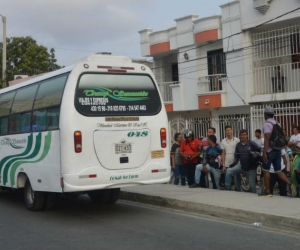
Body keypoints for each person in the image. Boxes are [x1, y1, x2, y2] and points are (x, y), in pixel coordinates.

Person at [261, 106, 296, 197]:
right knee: (278, 170)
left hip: (270, 151)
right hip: (278, 150)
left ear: (265, 114)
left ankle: (268, 191)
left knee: (266, 170)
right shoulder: (278, 123)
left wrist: (265, 152)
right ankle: (290, 184)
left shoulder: (267, 124)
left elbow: (267, 137)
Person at [229, 129, 261, 194]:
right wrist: (234, 163)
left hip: (251, 168)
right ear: (240, 136)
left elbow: (259, 152)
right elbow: (236, 156)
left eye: (244, 135)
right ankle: (230, 190)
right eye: (242, 135)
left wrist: (255, 155)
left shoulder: (252, 143)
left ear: (247, 136)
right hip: (242, 166)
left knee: (252, 185)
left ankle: (253, 198)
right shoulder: (238, 145)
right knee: (229, 171)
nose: (243, 136)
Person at [221, 125, 240, 191]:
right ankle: (228, 194)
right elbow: (223, 153)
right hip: (227, 164)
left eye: (229, 130)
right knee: (228, 182)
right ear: (225, 131)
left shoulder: (237, 140)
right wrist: (223, 165)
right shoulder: (223, 141)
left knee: (237, 182)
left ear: (232, 130)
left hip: (235, 164)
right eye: (227, 130)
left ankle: (238, 194)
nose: (228, 131)